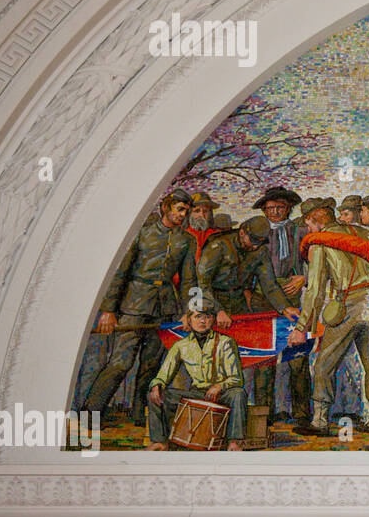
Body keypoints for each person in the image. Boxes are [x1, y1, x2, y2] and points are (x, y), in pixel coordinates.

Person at [87, 189, 196, 420]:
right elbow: (120, 271)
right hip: (133, 305)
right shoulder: (141, 232)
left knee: (151, 366)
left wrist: (189, 311)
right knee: (120, 363)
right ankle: (89, 415)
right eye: (179, 209)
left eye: (186, 211)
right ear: (166, 207)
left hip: (164, 308)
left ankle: (139, 416)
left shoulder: (187, 240)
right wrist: (108, 310)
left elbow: (189, 280)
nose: (182, 215)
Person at [287, 200, 369, 436]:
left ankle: (319, 421)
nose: (308, 229)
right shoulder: (365, 233)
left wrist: (301, 327)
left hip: (349, 304)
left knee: (324, 364)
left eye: (308, 223)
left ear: (316, 219)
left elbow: (315, 290)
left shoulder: (320, 243)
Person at [197, 215, 300, 409]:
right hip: (212, 303)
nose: (254, 246)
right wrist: (217, 310)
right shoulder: (218, 246)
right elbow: (202, 283)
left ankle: (255, 411)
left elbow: (269, 285)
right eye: (252, 240)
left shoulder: (260, 251)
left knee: (251, 357)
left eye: (259, 242)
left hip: (238, 305)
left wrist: (284, 307)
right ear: (242, 231)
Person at [147, 305, 248, 451]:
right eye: (197, 316)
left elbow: (237, 378)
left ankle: (235, 442)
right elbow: (163, 374)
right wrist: (157, 385)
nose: (202, 321)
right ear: (189, 320)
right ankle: (160, 441)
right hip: (197, 394)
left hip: (221, 395)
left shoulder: (226, 342)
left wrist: (219, 386)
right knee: (155, 394)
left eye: (207, 317)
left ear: (213, 320)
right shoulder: (181, 345)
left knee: (239, 393)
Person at [253, 186, 311, 426]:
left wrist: (304, 278)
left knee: (298, 356)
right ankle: (263, 415)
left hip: (292, 296)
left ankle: (301, 414)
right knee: (264, 360)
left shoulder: (300, 231)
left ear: (289, 208)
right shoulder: (257, 232)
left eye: (280, 207)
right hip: (261, 298)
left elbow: (317, 260)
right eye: (271, 208)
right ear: (264, 210)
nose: (276, 212)